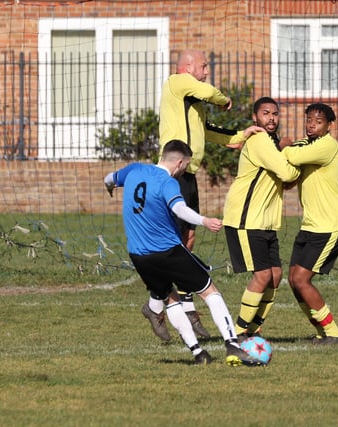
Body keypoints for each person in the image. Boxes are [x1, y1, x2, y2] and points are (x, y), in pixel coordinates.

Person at [104, 140, 260, 366]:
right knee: (209, 290)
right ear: (178, 163)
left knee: (170, 298)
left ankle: (198, 353)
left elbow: (109, 178)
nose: (184, 171)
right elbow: (179, 209)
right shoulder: (167, 182)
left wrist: (110, 187)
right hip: (168, 251)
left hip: (139, 256)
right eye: (185, 167)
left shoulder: (134, 169)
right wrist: (204, 220)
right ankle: (233, 345)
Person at [142, 49, 262, 341]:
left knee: (186, 241)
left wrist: (239, 137)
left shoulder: (192, 103)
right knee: (172, 245)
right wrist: (225, 99)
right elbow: (210, 92)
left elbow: (207, 129)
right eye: (205, 66)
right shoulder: (177, 82)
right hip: (172, 175)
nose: (207, 72)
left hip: (188, 175)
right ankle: (177, 306)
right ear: (188, 67)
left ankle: (161, 305)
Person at [223, 97, 300, 340]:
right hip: (245, 219)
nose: (271, 118)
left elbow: (286, 182)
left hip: (264, 221)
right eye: (266, 113)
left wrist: (285, 151)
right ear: (255, 118)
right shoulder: (259, 140)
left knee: (275, 275)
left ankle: (254, 328)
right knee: (263, 274)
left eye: (275, 114)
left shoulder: (272, 144)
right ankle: (239, 331)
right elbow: (288, 172)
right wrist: (290, 149)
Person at [282, 103, 338, 345]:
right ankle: (322, 331)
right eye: (309, 120)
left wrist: (285, 145)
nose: (311, 125)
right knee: (292, 280)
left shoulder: (327, 145)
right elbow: (291, 165)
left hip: (330, 225)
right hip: (310, 225)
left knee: (301, 279)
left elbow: (292, 155)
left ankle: (334, 333)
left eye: (318, 121)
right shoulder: (307, 144)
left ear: (329, 125)